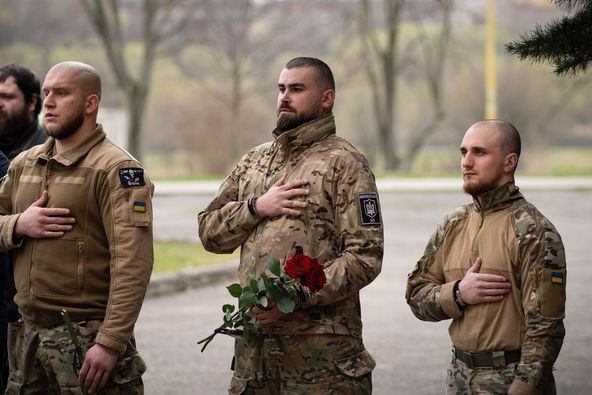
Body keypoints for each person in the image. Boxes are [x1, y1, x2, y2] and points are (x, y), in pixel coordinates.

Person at [198, 57, 383, 394]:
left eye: (297, 89)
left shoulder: (346, 164)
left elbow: (365, 257)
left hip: (320, 362)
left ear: (327, 98)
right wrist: (257, 207)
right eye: (281, 88)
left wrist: (292, 296)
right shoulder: (256, 160)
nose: (284, 96)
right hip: (255, 359)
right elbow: (209, 231)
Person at [0, 61, 154, 394]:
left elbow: (133, 263)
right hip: (26, 339)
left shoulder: (116, 169)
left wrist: (111, 342)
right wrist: (17, 224)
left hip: (86, 339)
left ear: (90, 103)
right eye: (46, 93)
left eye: (62, 93)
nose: (49, 102)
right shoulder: (23, 165)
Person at [406, 120, 566, 394]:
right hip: (459, 378)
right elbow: (416, 298)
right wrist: (458, 293)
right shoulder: (452, 224)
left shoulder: (533, 231)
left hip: (510, 380)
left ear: (509, 162)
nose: (466, 162)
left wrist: (521, 389)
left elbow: (545, 331)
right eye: (463, 152)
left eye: (479, 152)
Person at [0, 64, 47, 392]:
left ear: (32, 102)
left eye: (6, 97)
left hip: (28, 306)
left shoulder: (49, 151)